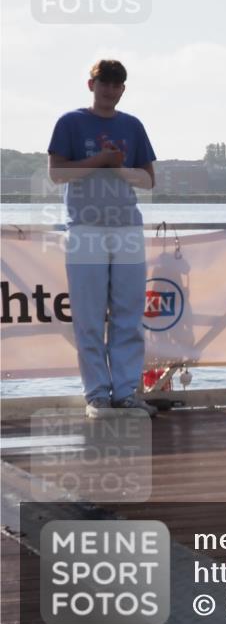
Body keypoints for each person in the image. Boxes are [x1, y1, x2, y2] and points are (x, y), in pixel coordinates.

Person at [48, 60, 157, 419]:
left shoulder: (133, 126)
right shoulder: (70, 122)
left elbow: (148, 179)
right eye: (103, 83)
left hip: (126, 229)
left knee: (128, 315)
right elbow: (57, 173)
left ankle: (126, 391)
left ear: (123, 89)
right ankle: (97, 393)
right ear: (90, 84)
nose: (109, 89)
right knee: (89, 316)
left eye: (116, 84)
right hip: (85, 229)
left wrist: (119, 168)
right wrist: (100, 160)